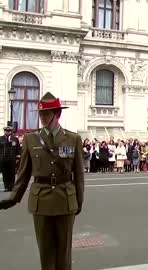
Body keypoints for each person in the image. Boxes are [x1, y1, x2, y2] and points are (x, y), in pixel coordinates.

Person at [0, 92, 84, 270]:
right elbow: (23, 174)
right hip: (41, 201)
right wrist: (13, 198)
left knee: (64, 254)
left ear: (57, 114)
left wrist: (79, 201)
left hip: (65, 200)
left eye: (47, 113)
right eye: (41, 114)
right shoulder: (31, 139)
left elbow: (78, 174)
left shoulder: (73, 139)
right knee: (45, 254)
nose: (43, 118)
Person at [0, 126, 20, 192]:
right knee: (5, 174)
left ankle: (12, 186)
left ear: (11, 131)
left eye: (8, 131)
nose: (7, 132)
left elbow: (18, 149)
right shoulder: (1, 138)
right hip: (3, 159)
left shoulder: (15, 139)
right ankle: (6, 187)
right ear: (4, 131)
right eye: (6, 131)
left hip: (12, 159)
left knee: (12, 173)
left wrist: (17, 158)